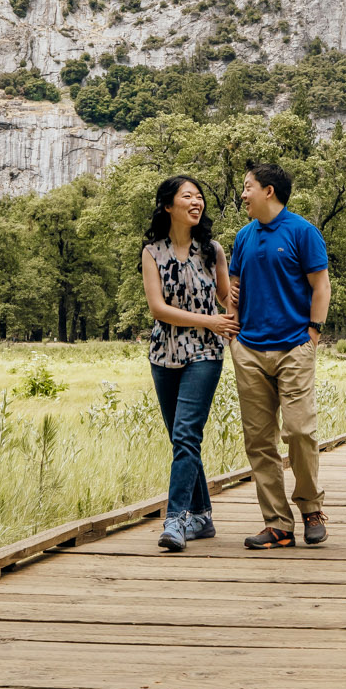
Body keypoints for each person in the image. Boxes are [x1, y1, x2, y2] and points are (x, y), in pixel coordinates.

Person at [228, 160, 332, 549]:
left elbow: (321, 286)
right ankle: (277, 525)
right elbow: (235, 285)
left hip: (294, 348)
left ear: (268, 191)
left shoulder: (303, 232)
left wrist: (313, 333)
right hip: (249, 350)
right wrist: (233, 330)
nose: (243, 194)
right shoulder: (243, 236)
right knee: (259, 441)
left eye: (247, 186)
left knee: (300, 431)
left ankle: (311, 508)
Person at [140, 174, 238, 553]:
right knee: (181, 440)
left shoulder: (212, 251)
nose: (196, 202)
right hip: (164, 354)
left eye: (199, 197)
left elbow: (227, 298)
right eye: (187, 197)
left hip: (205, 354)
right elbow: (158, 309)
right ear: (168, 206)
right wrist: (209, 319)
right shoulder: (152, 252)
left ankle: (175, 520)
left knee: (185, 436)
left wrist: (229, 317)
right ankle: (202, 515)